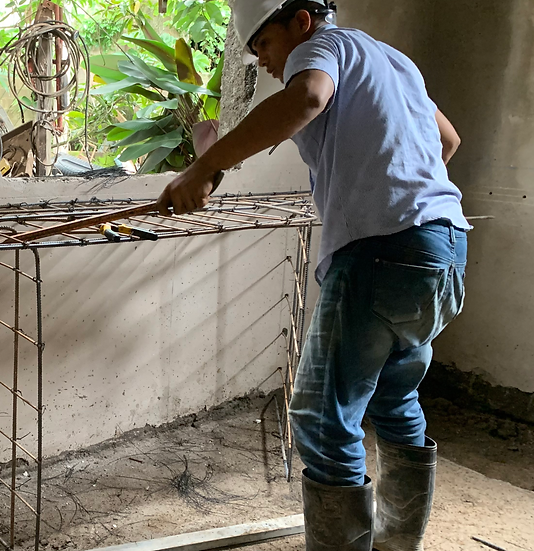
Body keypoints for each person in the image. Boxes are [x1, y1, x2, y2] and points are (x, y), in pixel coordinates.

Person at [156, 1, 470, 550]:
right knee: (395, 398)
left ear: (301, 20)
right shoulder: (393, 61)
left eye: (265, 47)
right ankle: (399, 545)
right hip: (442, 248)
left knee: (323, 417)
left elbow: (307, 98)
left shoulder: (323, 47)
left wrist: (205, 166)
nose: (267, 64)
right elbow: (447, 141)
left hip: (379, 253)